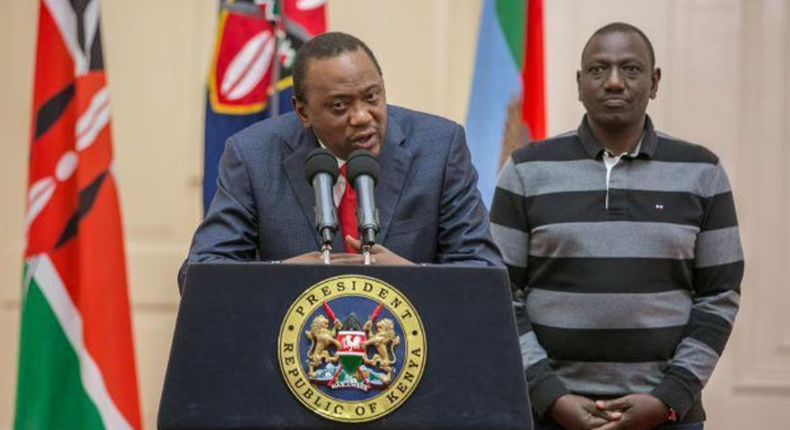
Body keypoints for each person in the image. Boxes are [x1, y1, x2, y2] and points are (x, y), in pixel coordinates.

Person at [489, 22, 743, 430]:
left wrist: (669, 399)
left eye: (630, 69)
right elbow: (499, 293)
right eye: (597, 70)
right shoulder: (526, 170)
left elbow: (719, 295)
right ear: (579, 83)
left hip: (668, 417)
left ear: (654, 82)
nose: (613, 82)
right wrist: (551, 398)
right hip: (547, 415)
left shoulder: (702, 172)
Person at [179, 32, 501, 291]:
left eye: (372, 96)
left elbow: (484, 271)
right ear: (302, 111)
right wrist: (283, 273)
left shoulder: (440, 147)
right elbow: (200, 273)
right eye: (339, 105)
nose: (362, 117)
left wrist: (408, 275)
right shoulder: (252, 155)